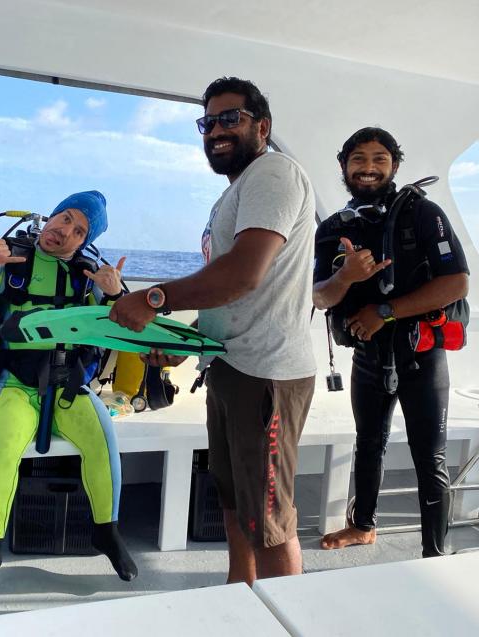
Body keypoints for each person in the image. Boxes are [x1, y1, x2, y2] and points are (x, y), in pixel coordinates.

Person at [110, 77, 317, 585]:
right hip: (230, 366)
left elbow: (242, 273)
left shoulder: (273, 175)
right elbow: (242, 295)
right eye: (208, 122)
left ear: (261, 127)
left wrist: (154, 299)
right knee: (234, 502)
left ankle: (287, 615)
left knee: (268, 519)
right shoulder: (235, 193)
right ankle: (239, 601)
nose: (216, 130)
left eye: (231, 119)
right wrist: (190, 343)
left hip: (266, 374)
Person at [0, 190, 138, 586]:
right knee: (2, 448)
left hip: (67, 385)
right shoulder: (11, 257)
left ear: (85, 243)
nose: (65, 230)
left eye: (78, 230)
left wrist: (115, 295)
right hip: (12, 384)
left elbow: (118, 330)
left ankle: (106, 532)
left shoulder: (86, 275)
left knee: (104, 442)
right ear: (51, 216)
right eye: (65, 218)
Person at [313, 127, 469, 557]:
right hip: (368, 357)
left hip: (421, 356)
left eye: (379, 158)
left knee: (429, 458)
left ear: (394, 166)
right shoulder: (331, 230)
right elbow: (320, 296)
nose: (368, 167)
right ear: (344, 166)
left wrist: (384, 311)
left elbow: (457, 283)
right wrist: (347, 277)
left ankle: (434, 554)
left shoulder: (424, 214)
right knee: (369, 443)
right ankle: (363, 526)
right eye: (359, 158)